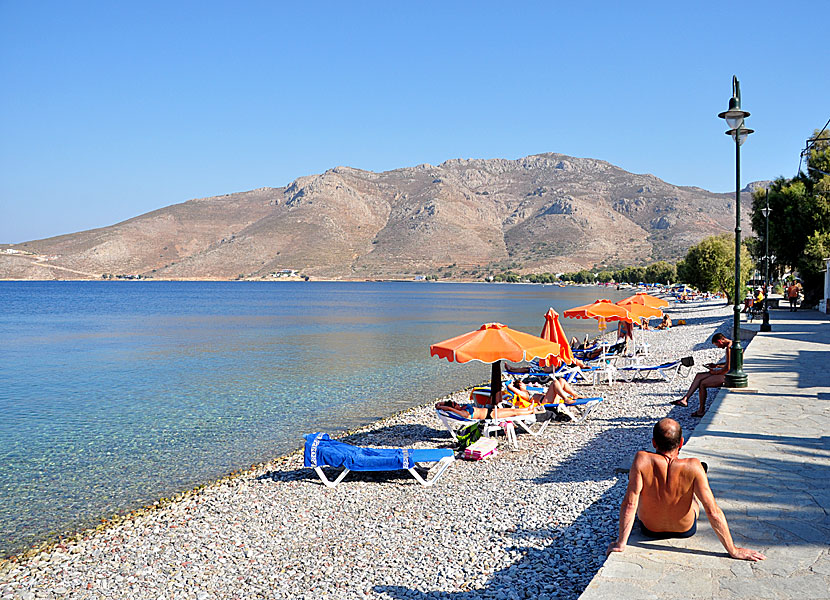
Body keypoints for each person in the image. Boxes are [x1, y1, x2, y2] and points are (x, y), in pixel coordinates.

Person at [607, 419, 766, 561]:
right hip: (684, 529)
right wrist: (733, 550)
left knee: (641, 492)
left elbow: (629, 505)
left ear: (654, 443)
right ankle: (696, 479)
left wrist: (621, 543)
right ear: (681, 442)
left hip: (650, 530)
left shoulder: (642, 459)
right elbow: (713, 511)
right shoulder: (694, 465)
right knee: (694, 498)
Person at [671, 333, 731, 417]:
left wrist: (715, 372)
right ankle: (685, 398)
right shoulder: (731, 345)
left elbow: (728, 368)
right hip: (726, 372)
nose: (718, 347)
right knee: (699, 375)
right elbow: (729, 363)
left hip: (729, 376)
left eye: (717, 345)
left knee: (702, 384)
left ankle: (701, 410)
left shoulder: (729, 348)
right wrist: (716, 366)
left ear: (720, 341)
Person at [435, 399, 537, 420]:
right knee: (513, 412)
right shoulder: (462, 412)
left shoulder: (461, 408)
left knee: (512, 410)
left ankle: (528, 409)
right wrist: (447, 408)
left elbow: (438, 404)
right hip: (490, 416)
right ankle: (529, 411)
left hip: (490, 411)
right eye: (455, 404)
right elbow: (449, 408)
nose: (457, 403)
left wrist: (441, 404)